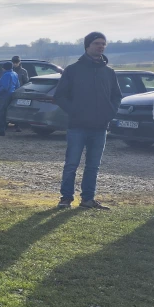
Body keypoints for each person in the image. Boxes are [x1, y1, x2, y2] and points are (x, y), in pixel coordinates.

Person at [54, 32, 122, 210]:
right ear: (87, 46)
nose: (101, 46)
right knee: (71, 164)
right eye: (97, 43)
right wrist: (75, 112)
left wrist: (110, 112)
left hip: (100, 128)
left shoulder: (108, 72)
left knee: (93, 166)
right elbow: (59, 96)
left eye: (103, 44)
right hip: (78, 126)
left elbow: (116, 96)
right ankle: (66, 198)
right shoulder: (73, 70)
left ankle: (88, 199)